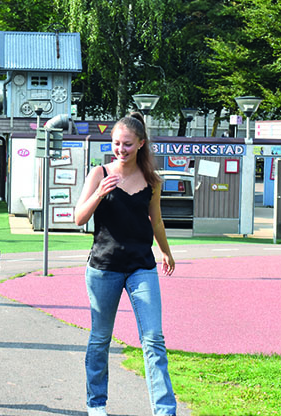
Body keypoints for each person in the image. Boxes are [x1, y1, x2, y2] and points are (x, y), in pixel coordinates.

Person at [74, 112, 177, 416]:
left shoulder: (152, 180)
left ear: (141, 144)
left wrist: (166, 252)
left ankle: (164, 410)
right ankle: (96, 404)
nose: (121, 149)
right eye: (117, 143)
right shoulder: (100, 173)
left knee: (154, 339)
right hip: (103, 267)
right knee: (100, 338)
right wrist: (99, 194)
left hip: (141, 266)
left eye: (128, 144)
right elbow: (79, 217)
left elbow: (156, 221)